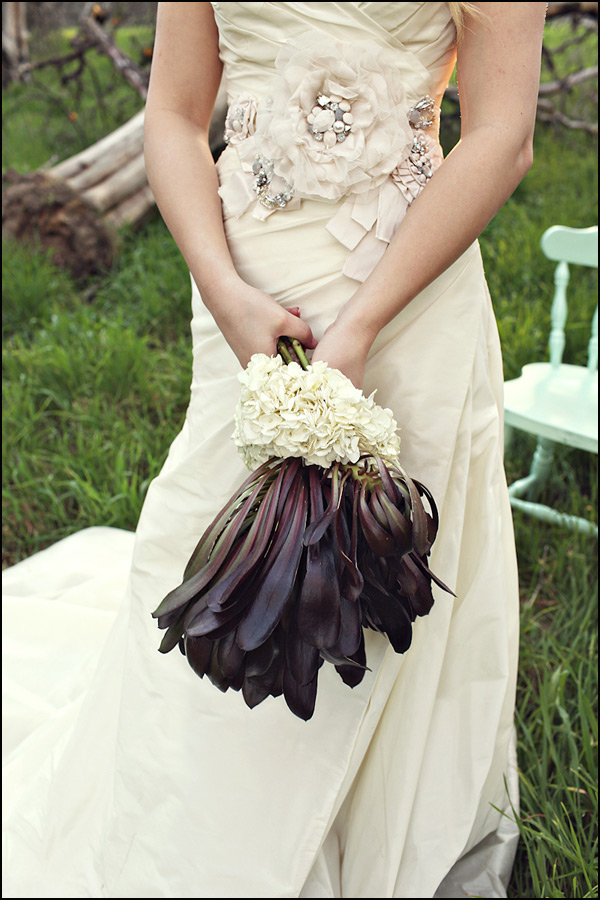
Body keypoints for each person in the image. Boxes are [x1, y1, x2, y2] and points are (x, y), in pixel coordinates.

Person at [2, 2, 547, 897]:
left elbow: (503, 135)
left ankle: (374, 829)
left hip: (407, 291)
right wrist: (221, 288)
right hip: (246, 292)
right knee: (208, 533)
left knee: (389, 566)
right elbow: (175, 114)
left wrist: (365, 321)